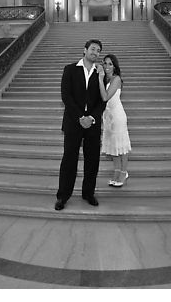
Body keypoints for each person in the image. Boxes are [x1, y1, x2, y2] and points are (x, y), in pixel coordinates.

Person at [55, 39, 106, 211]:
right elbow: (66, 96)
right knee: (69, 160)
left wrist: (91, 117)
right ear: (84, 50)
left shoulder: (101, 73)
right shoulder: (70, 69)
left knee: (93, 161)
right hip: (73, 122)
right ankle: (62, 196)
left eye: (98, 51)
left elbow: (102, 101)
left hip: (92, 123)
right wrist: (80, 117)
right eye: (93, 49)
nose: (96, 52)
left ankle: (88, 193)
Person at [97, 54, 132, 187]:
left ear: (115, 66)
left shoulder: (116, 79)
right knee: (113, 146)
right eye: (105, 63)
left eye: (110, 64)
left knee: (121, 146)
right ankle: (117, 171)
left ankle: (124, 172)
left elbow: (105, 97)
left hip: (117, 116)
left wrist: (100, 79)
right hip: (107, 117)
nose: (107, 66)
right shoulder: (106, 79)